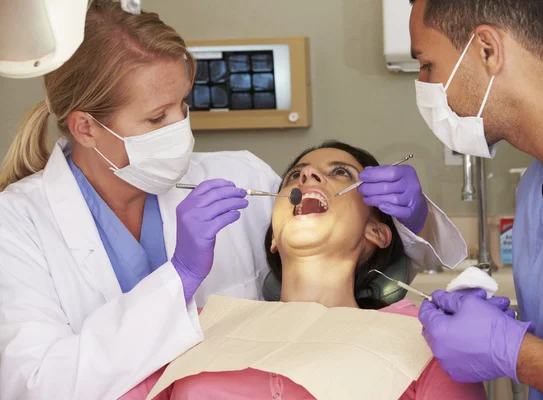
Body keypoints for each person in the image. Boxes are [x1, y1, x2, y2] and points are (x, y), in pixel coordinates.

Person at [0, 2, 466, 399]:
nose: (180, 128)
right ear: (85, 128)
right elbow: (36, 383)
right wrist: (179, 278)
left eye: (184, 105)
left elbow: (355, 241)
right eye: (157, 117)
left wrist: (417, 217)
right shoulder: (19, 223)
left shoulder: (235, 177)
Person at [121, 141, 487, 400]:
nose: (307, 175)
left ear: (377, 231)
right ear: (274, 241)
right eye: (294, 176)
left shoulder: (426, 338)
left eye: (340, 172)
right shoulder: (197, 327)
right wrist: (179, 274)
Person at [408, 0, 543, 399]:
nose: (425, 84)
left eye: (427, 65)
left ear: (486, 50)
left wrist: (513, 351)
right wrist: (506, 333)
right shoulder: (536, 183)